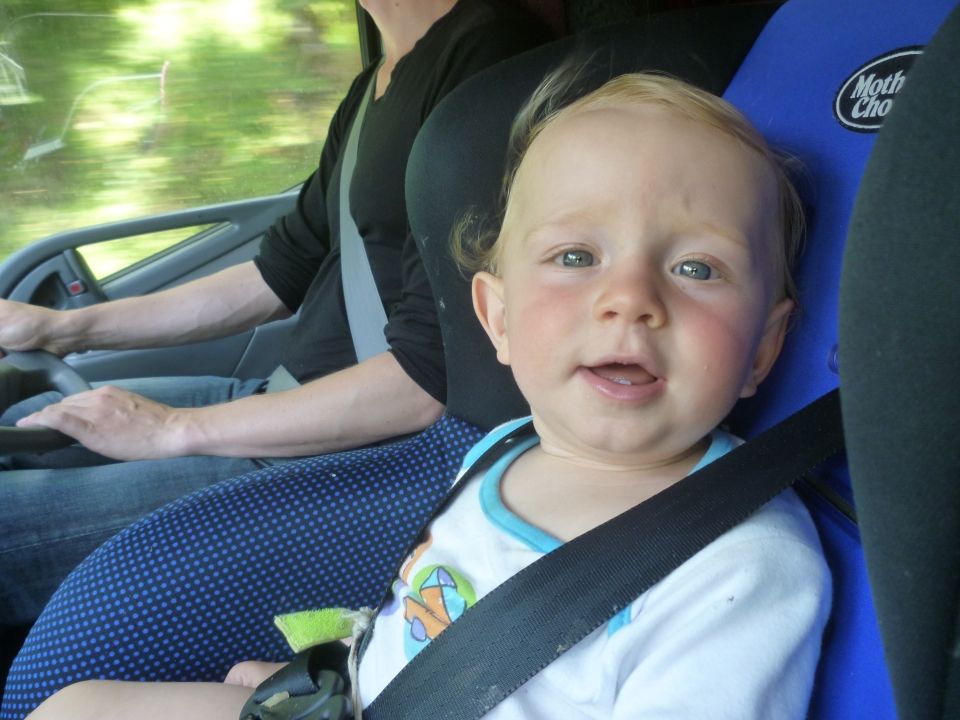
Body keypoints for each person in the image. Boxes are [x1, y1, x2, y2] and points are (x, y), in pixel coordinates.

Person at [24, 71, 830, 720]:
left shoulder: (743, 567)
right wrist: (345, 674)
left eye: (696, 268)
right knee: (74, 707)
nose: (630, 298)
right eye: (577, 257)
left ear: (763, 349)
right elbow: (431, 619)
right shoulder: (501, 450)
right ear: (499, 318)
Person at [0, 0, 551, 630]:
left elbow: (424, 382)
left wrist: (172, 429)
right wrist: (61, 329)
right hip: (285, 400)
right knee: (27, 423)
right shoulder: (374, 84)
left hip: (361, 459)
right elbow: (278, 272)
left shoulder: (489, 55)